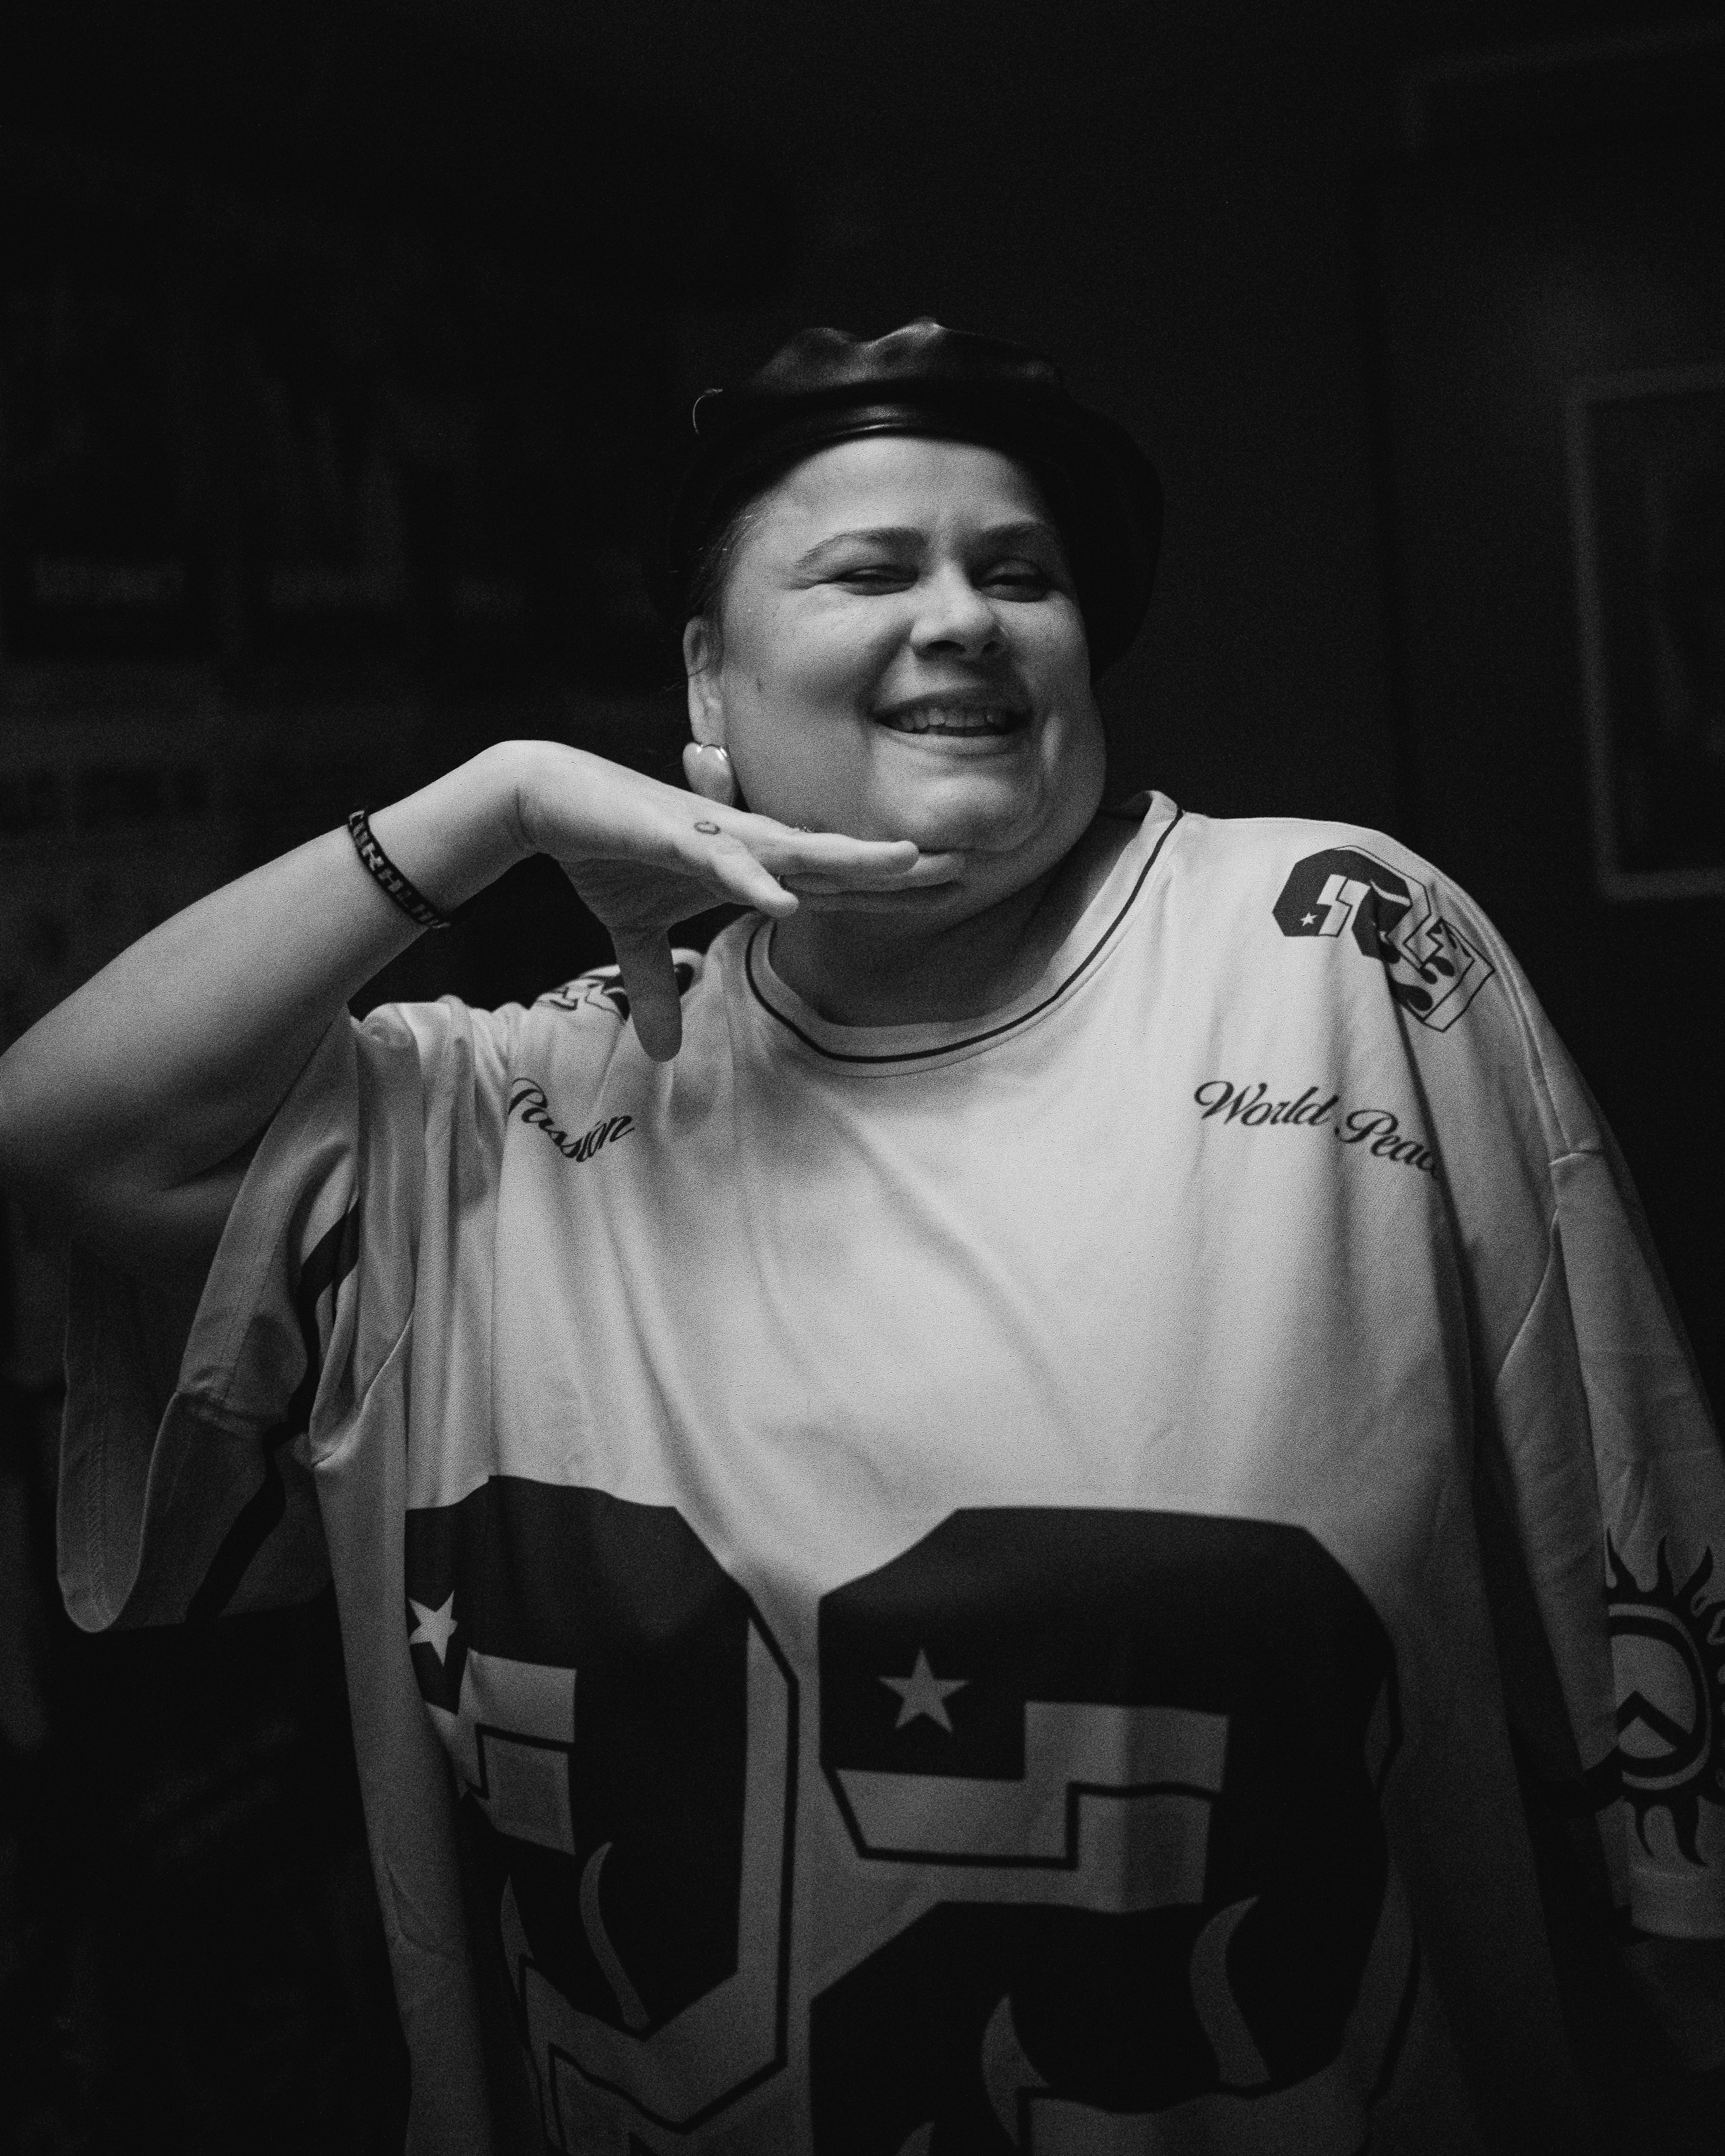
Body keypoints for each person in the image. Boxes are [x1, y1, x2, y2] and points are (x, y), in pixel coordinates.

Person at [1, 320, 1721, 2155]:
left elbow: (1640, 1602)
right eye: (871, 571)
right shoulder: (522, 1112)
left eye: (1022, 575)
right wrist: (482, 811)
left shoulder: (1331, 960)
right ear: (710, 681)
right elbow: (69, 1132)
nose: (965, 617)